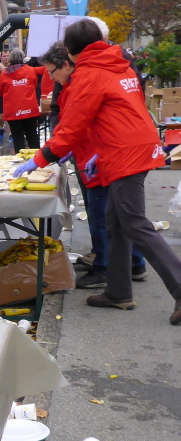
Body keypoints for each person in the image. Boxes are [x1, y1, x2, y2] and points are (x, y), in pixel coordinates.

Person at [13, 19, 181, 325]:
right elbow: (116, 112)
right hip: (132, 145)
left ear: (72, 51)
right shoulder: (119, 64)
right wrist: (97, 152)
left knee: (134, 222)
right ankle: (118, 291)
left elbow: (72, 127)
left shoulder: (88, 74)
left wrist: (39, 159)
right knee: (116, 222)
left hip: (125, 152)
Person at [38, 41, 148, 289]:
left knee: (105, 214)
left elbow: (76, 123)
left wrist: (43, 156)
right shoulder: (100, 73)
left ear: (66, 64)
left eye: (52, 72)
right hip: (104, 153)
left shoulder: (85, 80)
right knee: (119, 216)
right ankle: (131, 266)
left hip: (101, 154)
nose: (51, 78)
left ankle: (105, 268)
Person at [0, 48, 45, 152]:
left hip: (13, 111)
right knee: (32, 134)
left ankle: (20, 159)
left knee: (17, 137)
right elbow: (35, 84)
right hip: (29, 109)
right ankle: (36, 159)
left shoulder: (4, 73)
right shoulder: (30, 70)